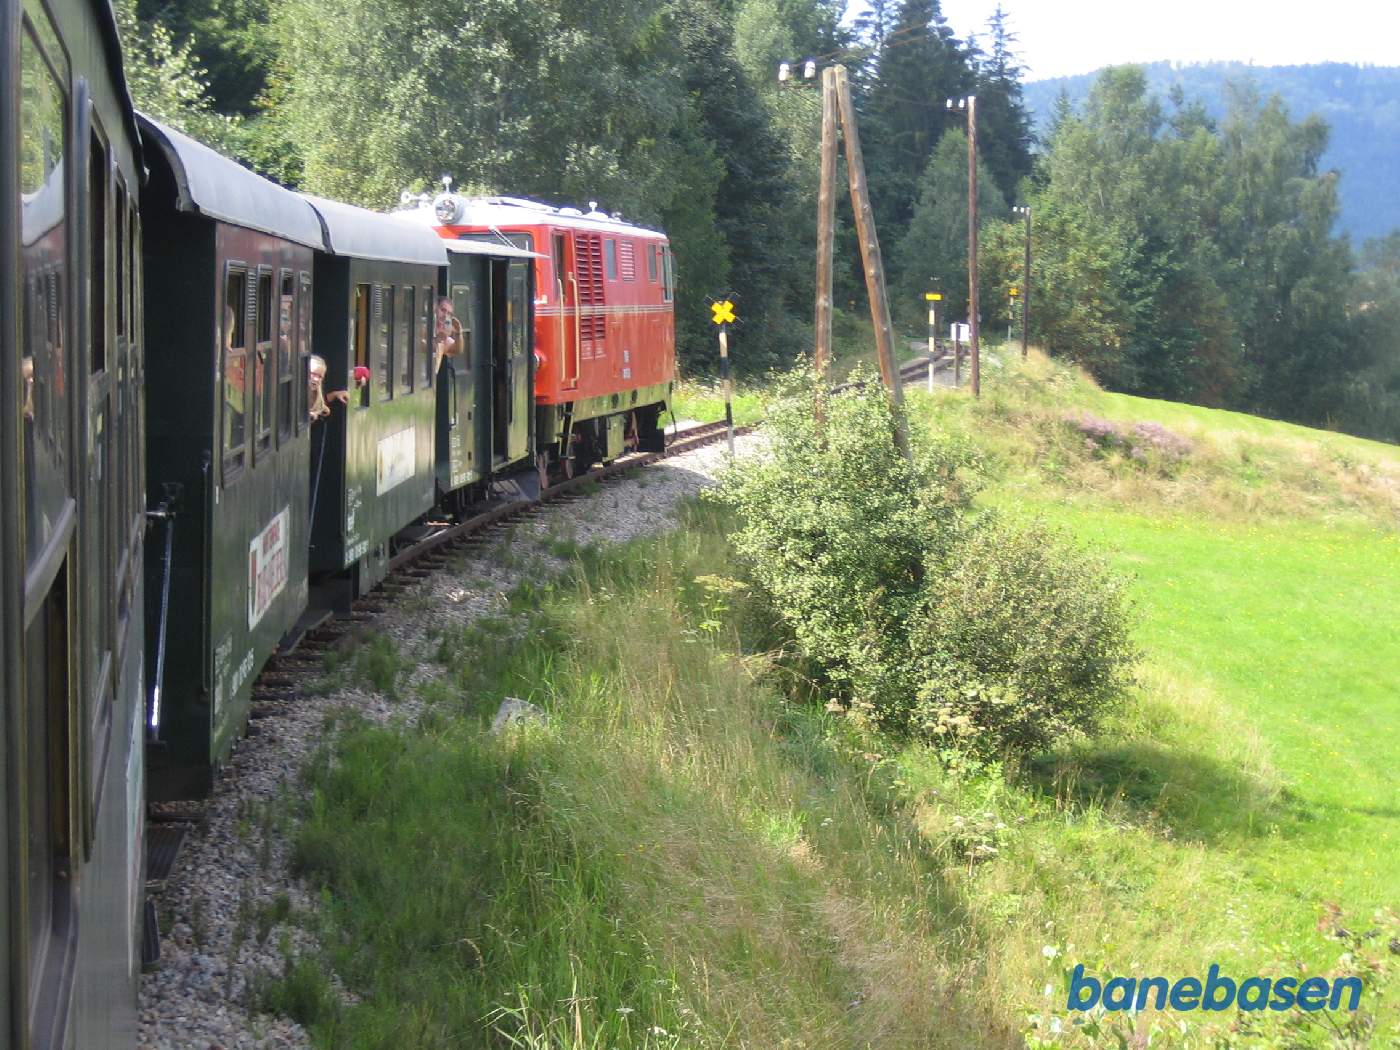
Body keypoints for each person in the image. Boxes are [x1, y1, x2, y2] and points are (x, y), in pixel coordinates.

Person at [307, 354, 349, 422]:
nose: (316, 379)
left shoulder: (317, 395)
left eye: (320, 377)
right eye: (313, 374)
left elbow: (321, 403)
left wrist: (334, 394)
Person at [434, 296, 464, 376]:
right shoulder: (423, 328)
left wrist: (459, 333)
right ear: (434, 309)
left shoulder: (443, 337)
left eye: (449, 313)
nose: (445, 315)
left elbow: (457, 350)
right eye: (443, 310)